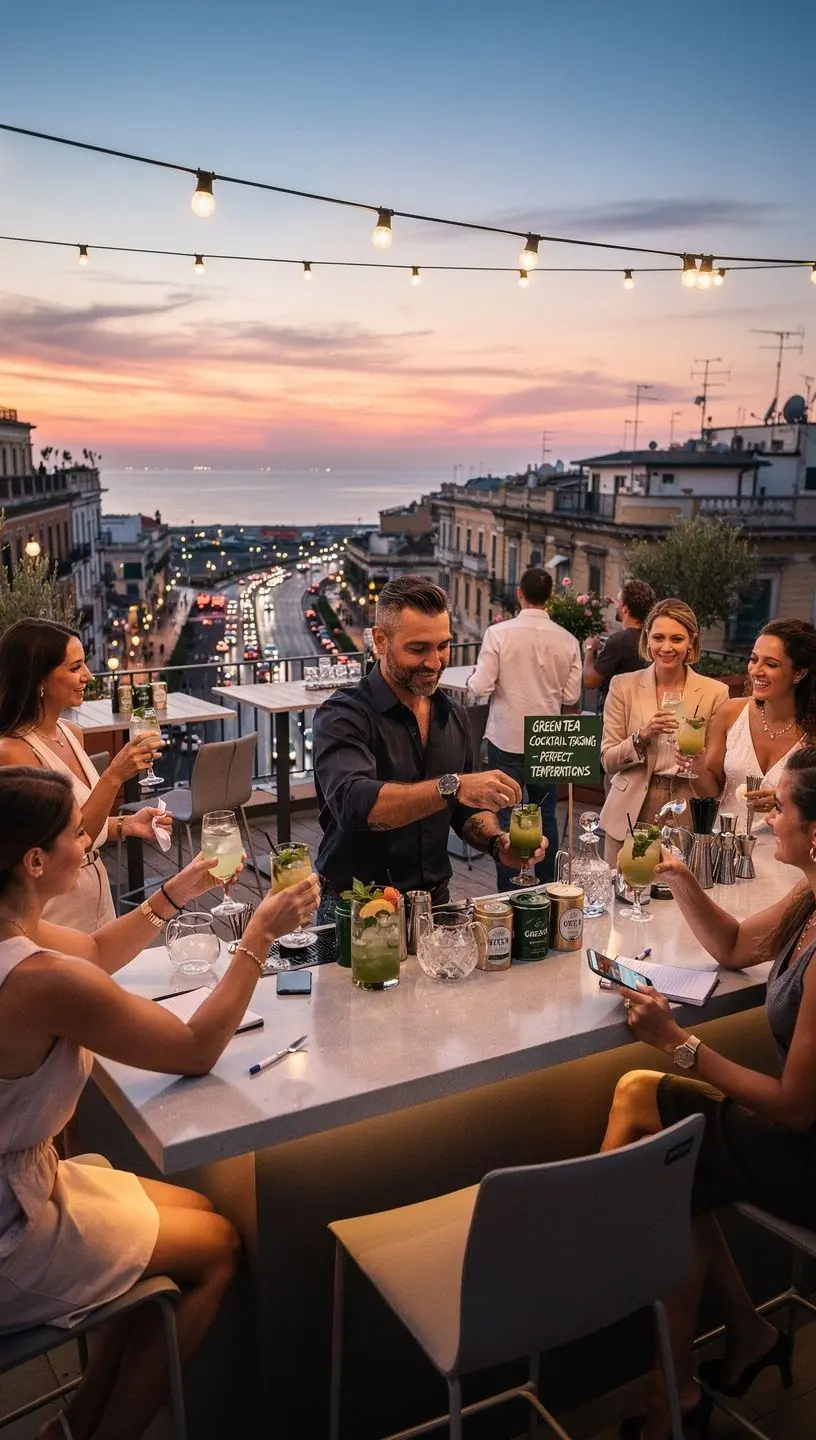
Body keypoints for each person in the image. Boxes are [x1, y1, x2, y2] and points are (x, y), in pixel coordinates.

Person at [0, 765, 319, 1440]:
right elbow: (195, 1047)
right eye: (72, 834)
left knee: (194, 1213)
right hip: (10, 1228)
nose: (87, 842)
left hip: (25, 1181)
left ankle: (78, 1424)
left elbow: (91, 949)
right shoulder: (40, 980)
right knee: (216, 1247)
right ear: (34, 861)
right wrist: (259, 938)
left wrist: (180, 889)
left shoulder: (14, 935)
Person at [601, 747, 816, 1439]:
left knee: (652, 1117)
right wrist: (682, 878)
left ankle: (668, 1388)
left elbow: (793, 1106)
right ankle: (735, 1345)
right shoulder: (810, 895)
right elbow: (732, 947)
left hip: (809, 1154)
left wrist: (678, 1045)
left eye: (780, 807)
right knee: (674, 1162)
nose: (769, 816)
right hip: (798, 1134)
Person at [312, 576, 546, 920]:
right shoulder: (342, 714)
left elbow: (464, 811)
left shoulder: (453, 714)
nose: (435, 662)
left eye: (443, 646)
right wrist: (454, 786)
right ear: (380, 641)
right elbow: (356, 805)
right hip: (357, 910)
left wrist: (497, 841)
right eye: (418, 649)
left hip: (436, 905)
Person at [0, 619, 169, 931]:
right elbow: (61, 843)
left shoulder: (72, 733)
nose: (88, 676)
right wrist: (114, 776)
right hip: (54, 910)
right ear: (38, 678)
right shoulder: (13, 752)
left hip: (96, 893)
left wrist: (127, 825)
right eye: (75, 667)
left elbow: (75, 824)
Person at [466, 566, 582, 889]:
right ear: (550, 598)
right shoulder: (569, 640)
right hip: (548, 739)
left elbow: (481, 685)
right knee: (546, 814)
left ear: (519, 594)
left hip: (507, 736)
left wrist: (469, 681)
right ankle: (548, 887)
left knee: (506, 815)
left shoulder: (499, 634)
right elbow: (572, 696)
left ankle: (511, 891)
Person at [599, 599, 728, 865]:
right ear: (647, 638)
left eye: (677, 639)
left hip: (686, 812)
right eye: (658, 637)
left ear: (692, 641)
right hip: (629, 811)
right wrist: (640, 737)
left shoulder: (715, 693)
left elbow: (715, 784)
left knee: (677, 901)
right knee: (624, 896)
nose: (666, 647)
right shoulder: (623, 686)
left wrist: (698, 764)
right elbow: (608, 760)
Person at [679, 619, 816, 828]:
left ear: (799, 673)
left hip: (784, 853)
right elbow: (711, 792)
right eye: (754, 659)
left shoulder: (812, 732)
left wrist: (785, 801)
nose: (756, 671)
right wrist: (696, 768)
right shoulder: (730, 713)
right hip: (726, 846)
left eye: (771, 664)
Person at [582, 579, 655, 707]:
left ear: (625, 609)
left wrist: (589, 648)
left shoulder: (619, 641)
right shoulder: (654, 639)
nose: (616, 605)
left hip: (619, 716)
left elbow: (590, 680)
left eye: (618, 601)